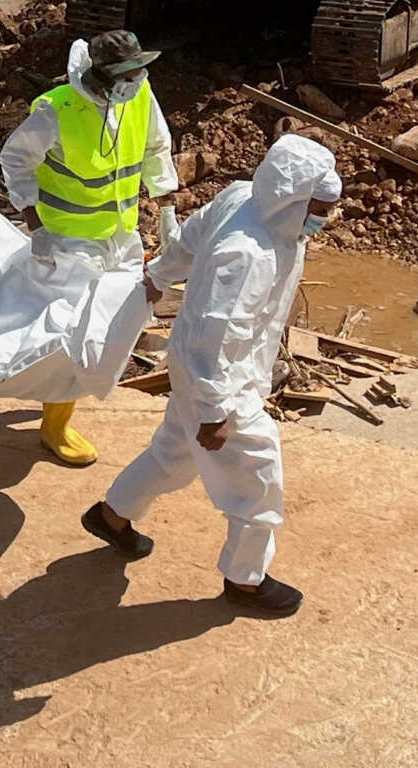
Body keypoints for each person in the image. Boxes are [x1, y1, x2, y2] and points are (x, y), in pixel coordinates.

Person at [80, 134, 342, 618]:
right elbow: (211, 335)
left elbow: (190, 236)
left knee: (175, 452)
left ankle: (112, 516)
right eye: (320, 208)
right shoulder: (248, 254)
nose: (325, 218)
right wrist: (214, 412)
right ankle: (246, 581)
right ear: (294, 200)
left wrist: (159, 273)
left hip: (206, 368)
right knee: (257, 474)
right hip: (219, 376)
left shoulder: (246, 199)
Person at [0, 29, 177, 467]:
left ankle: (54, 397)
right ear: (101, 74)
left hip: (120, 231)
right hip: (70, 238)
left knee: (116, 323)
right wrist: (35, 223)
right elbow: (15, 160)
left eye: (140, 70)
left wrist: (168, 208)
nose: (136, 79)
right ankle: (55, 425)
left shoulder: (138, 93)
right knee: (76, 336)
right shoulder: (57, 109)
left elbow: (156, 147)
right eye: (127, 73)